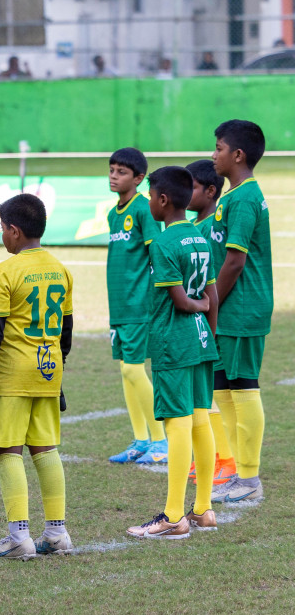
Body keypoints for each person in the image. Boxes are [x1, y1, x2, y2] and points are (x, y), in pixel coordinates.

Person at [0, 193, 74, 560]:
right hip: (49, 369)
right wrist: (57, 376)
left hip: (13, 373)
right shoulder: (60, 268)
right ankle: (57, 532)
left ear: (14, 231)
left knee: (7, 448)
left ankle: (18, 537)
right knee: (45, 448)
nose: (2, 235)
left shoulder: (5, 271)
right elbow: (66, 330)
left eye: (2, 228)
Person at [126, 166, 219, 539]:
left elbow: (182, 301)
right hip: (200, 344)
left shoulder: (163, 244)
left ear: (162, 201)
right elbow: (211, 295)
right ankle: (204, 509)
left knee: (177, 423)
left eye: (150, 196)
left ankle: (173, 515)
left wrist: (194, 309)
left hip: (173, 343)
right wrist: (207, 334)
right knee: (200, 420)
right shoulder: (200, 237)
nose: (148, 202)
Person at [208, 119, 271, 505]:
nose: (213, 155)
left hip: (242, 307)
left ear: (237, 155)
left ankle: (249, 477)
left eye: (218, 148)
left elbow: (234, 262)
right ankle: (236, 472)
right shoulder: (233, 197)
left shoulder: (246, 197)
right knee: (223, 388)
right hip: (230, 308)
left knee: (243, 386)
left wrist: (211, 304)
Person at [103, 148, 167, 465]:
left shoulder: (144, 210)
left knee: (133, 368)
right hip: (119, 306)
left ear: (139, 178)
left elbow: (158, 255)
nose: (114, 176)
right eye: (112, 170)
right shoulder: (113, 213)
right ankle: (140, 439)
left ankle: (161, 440)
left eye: (122, 172)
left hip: (140, 305)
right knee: (126, 372)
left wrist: (157, 297)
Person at [185, 158, 236, 489]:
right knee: (202, 393)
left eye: (190, 187)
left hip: (205, 320)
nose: (184, 193)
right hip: (200, 318)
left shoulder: (206, 229)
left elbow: (211, 281)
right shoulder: (196, 228)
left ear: (210, 191)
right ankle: (212, 455)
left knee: (210, 392)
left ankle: (226, 459)